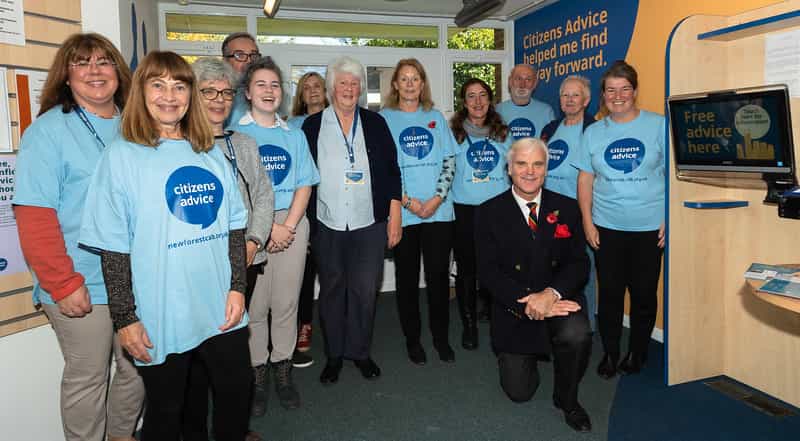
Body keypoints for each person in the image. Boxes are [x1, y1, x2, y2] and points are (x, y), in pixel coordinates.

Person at [78, 51, 252, 441]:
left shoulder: (208, 153)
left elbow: (234, 229)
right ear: (141, 92)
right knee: (167, 411)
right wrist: (125, 318)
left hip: (220, 304)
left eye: (179, 86)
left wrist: (238, 287)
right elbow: (113, 248)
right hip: (161, 310)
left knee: (236, 393)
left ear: (191, 94)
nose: (169, 96)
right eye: (158, 85)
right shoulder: (121, 157)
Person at [13, 32, 144, 441]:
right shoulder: (48, 132)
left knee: (138, 367)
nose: (94, 71)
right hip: (80, 278)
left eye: (103, 61)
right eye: (82, 63)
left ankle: (121, 435)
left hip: (138, 277)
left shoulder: (136, 124)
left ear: (118, 72)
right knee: (89, 378)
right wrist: (62, 282)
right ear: (65, 76)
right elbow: (34, 216)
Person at [182, 56, 274, 441]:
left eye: (226, 93)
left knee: (231, 362)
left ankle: (232, 431)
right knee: (194, 365)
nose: (219, 100)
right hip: (193, 270)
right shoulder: (177, 147)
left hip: (241, 265)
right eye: (209, 92)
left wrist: (254, 240)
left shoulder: (245, 144)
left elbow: (264, 196)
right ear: (193, 95)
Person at [475, 137, 593, 433]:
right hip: (515, 306)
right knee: (519, 392)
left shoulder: (568, 208)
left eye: (538, 164)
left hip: (558, 297)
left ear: (546, 169)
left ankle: (567, 399)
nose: (530, 171)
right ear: (509, 168)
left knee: (577, 334)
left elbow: (579, 263)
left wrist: (551, 295)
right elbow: (488, 273)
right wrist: (531, 302)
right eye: (522, 164)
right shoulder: (488, 212)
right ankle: (524, 357)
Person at [301, 56, 402, 384]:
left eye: (354, 83)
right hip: (327, 222)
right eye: (342, 83)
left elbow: (392, 172)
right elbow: (304, 177)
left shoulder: (376, 123)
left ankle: (359, 352)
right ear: (332, 88)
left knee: (364, 290)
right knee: (332, 290)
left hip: (369, 222)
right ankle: (334, 355)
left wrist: (395, 216)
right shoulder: (312, 126)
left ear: (360, 89)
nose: (348, 88)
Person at [228, 56, 320, 412]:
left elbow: (304, 185)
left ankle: (283, 369)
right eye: (261, 85)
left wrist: (288, 227)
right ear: (248, 92)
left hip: (291, 225)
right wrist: (265, 230)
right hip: (250, 226)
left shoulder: (294, 135)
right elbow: (236, 191)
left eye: (275, 85)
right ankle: (257, 374)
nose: (269, 91)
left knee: (286, 304)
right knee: (254, 306)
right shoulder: (234, 134)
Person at [576, 60, 666, 380]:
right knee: (610, 295)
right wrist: (587, 222)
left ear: (635, 91)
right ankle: (611, 353)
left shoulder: (659, 126)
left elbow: (674, 175)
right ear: (603, 95)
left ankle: (638, 352)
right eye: (611, 90)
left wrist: (670, 218)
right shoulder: (593, 132)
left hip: (649, 228)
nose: (618, 96)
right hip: (607, 227)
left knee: (643, 294)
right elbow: (585, 179)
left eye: (624, 89)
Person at [380, 58, 457, 365]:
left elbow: (450, 162)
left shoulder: (435, 117)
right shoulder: (384, 119)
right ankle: (413, 341)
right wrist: (409, 202)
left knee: (438, 279)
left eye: (415, 78)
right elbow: (384, 169)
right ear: (395, 85)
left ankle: (441, 339)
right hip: (405, 213)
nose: (410, 84)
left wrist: (436, 199)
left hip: (439, 212)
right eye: (404, 78)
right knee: (407, 280)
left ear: (422, 84)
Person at [449, 78, 511, 350]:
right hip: (464, 209)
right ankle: (469, 325)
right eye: (471, 96)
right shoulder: (453, 133)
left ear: (490, 100)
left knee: (497, 267)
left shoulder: (503, 133)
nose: (477, 101)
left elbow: (515, 168)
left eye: (482, 95)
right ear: (464, 102)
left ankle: (498, 319)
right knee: (467, 270)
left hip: (498, 210)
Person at [540, 75, 598, 331]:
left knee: (584, 270)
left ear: (586, 100)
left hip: (581, 212)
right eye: (565, 95)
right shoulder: (550, 129)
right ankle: (549, 319)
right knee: (548, 267)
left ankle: (587, 325)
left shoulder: (595, 129)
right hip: (550, 212)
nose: (570, 100)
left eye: (576, 95)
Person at [287, 71, 329, 369]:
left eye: (318, 86)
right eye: (307, 87)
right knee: (302, 275)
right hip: (301, 206)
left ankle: (335, 325)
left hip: (332, 207)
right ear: (300, 95)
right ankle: (302, 325)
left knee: (332, 273)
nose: (313, 91)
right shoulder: (290, 127)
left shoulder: (337, 120)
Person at [496, 64, 555, 141]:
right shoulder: (497, 111)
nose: (522, 85)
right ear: (510, 81)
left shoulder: (546, 112)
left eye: (528, 80)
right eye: (518, 79)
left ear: (535, 84)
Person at [221, 32, 261, 125]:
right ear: (225, 61)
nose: (249, 61)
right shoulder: (214, 95)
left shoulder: (268, 93)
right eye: (240, 55)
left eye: (253, 55)